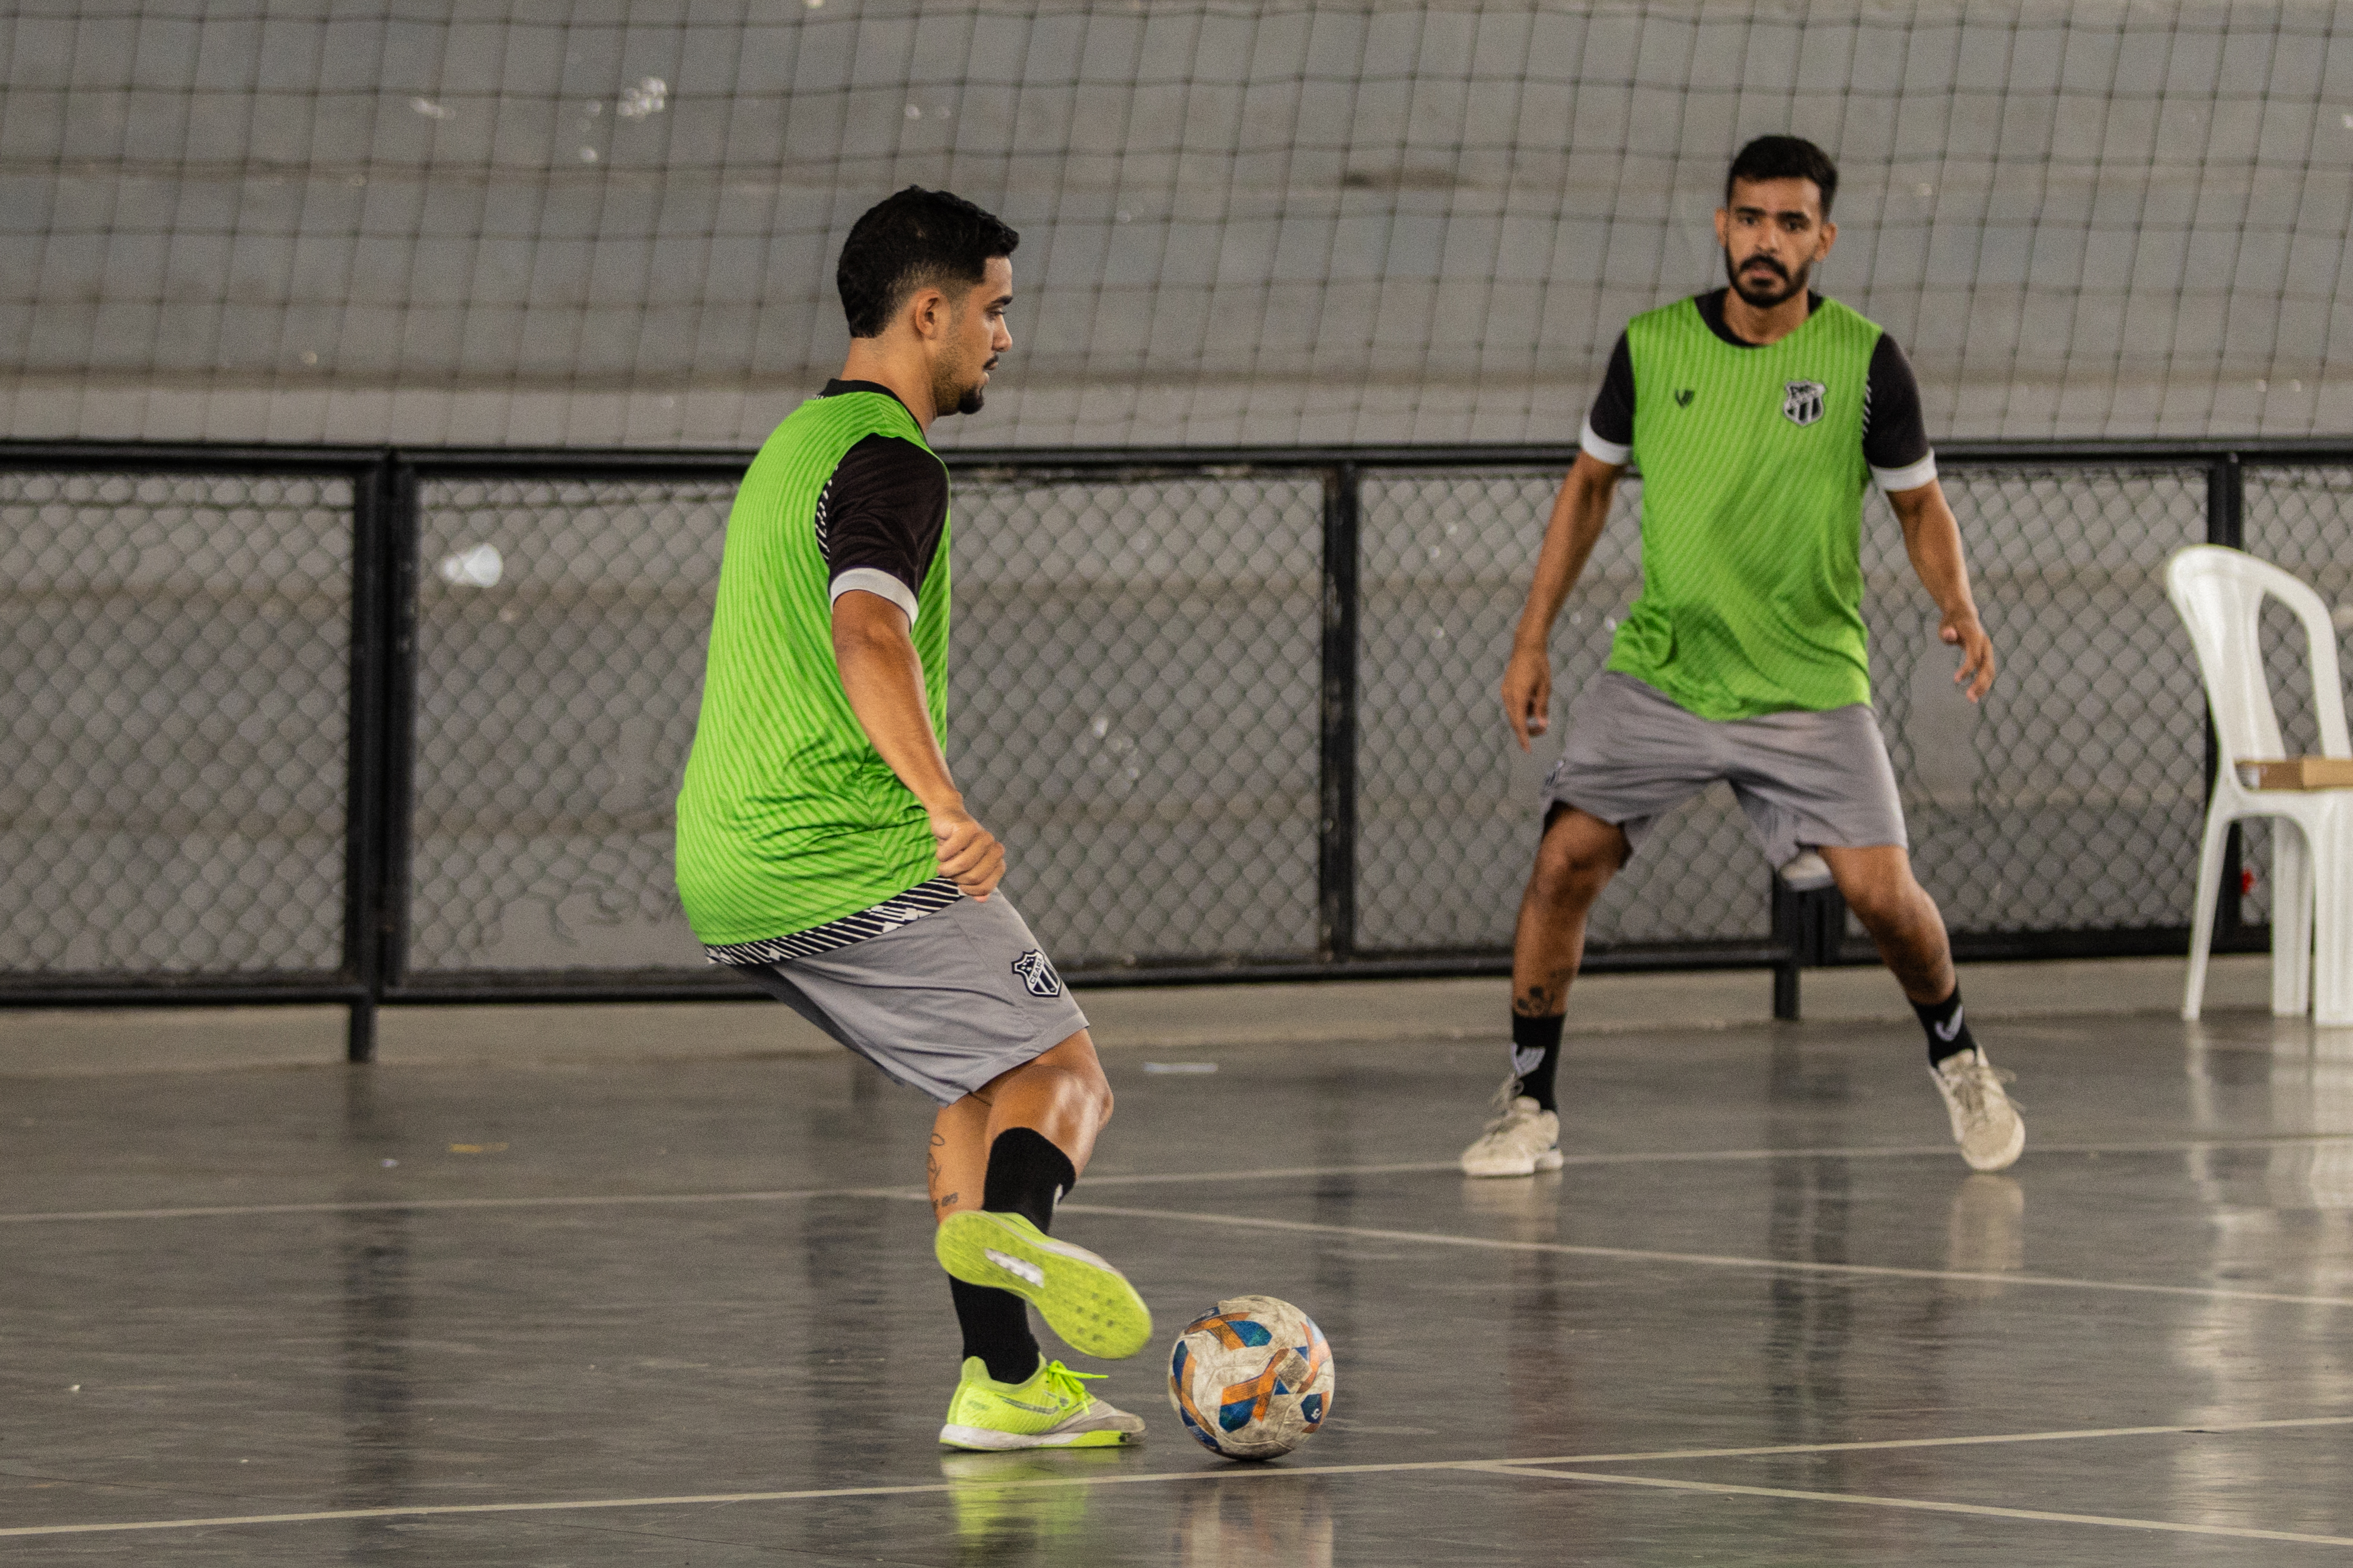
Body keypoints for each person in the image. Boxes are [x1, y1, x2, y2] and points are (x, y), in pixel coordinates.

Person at [675, 187, 1152, 1450]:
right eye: (993, 310)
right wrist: (945, 806)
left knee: (979, 1075)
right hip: (844, 851)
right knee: (1066, 1074)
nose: (1006, 336)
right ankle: (1016, 1243)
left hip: (731, 867)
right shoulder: (893, 458)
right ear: (928, 312)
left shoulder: (797, 442)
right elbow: (867, 630)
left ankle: (1003, 1383)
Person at [1460, 136, 2024, 1180]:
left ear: (1824, 239)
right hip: (1665, 671)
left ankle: (1960, 1057)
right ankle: (1530, 1103)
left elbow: (1920, 506)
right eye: (1751, 219)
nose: (1768, 240)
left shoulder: (1866, 360)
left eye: (1791, 223)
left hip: (1808, 679)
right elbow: (1588, 489)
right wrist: (1530, 638)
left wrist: (1959, 603)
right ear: (1723, 225)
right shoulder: (1651, 348)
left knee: (1885, 899)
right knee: (1563, 861)